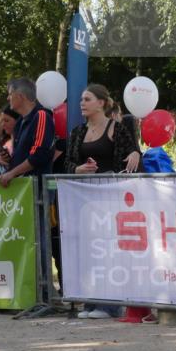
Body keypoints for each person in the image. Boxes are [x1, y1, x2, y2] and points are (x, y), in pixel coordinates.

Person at [64, 84, 142, 319]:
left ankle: (109, 305)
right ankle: (90, 302)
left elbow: (133, 152)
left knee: (109, 251)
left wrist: (136, 153)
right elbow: (67, 163)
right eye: (81, 99)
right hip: (84, 200)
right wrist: (79, 169)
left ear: (101, 103)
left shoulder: (116, 128)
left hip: (110, 199)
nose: (82, 103)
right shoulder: (77, 132)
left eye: (87, 99)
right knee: (88, 252)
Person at [0, 79, 55, 187]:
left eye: (10, 94)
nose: (8, 98)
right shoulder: (20, 122)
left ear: (21, 96)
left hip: (37, 191)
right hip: (22, 191)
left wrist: (12, 173)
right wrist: (9, 161)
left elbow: (38, 155)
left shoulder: (41, 116)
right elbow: (24, 157)